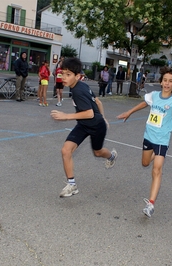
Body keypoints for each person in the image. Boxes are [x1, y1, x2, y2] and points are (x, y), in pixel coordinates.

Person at [117, 66, 172, 218]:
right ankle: (153, 156)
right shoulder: (154, 95)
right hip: (148, 137)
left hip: (162, 141)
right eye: (165, 80)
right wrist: (129, 112)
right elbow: (144, 103)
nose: (167, 83)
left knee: (156, 170)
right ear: (161, 81)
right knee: (145, 163)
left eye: (170, 81)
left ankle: (150, 204)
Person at [50, 57, 118, 198]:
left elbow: (89, 113)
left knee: (98, 152)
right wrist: (103, 116)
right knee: (66, 150)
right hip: (83, 125)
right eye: (62, 73)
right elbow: (97, 101)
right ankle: (72, 184)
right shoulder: (79, 86)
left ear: (77, 76)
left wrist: (66, 116)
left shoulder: (78, 90)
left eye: (68, 74)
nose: (64, 77)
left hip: (96, 126)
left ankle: (111, 156)